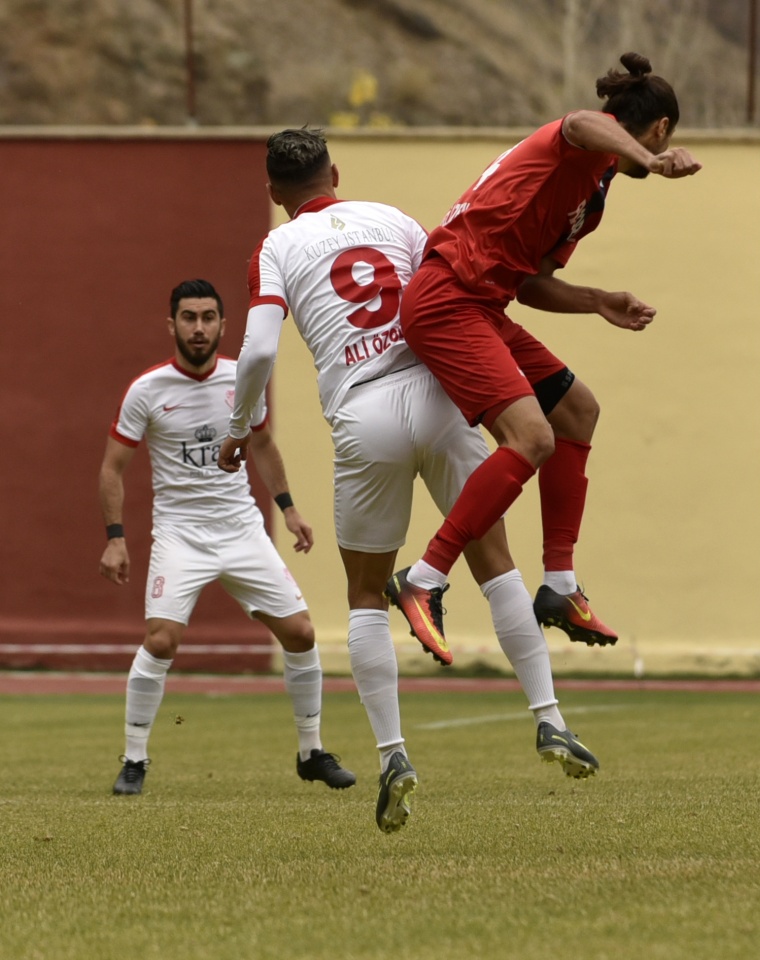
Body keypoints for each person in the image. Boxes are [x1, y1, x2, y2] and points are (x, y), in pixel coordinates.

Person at [217, 129, 598, 832]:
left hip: (364, 418)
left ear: (272, 192)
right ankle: (549, 719)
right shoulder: (391, 218)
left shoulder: (273, 249)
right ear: (335, 172)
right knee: (495, 564)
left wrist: (240, 426)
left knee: (365, 595)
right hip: (436, 391)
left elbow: (261, 346)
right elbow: (458, 288)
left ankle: (394, 755)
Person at [385, 52, 701, 663]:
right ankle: (423, 579)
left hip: (483, 305)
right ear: (660, 128)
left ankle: (559, 587)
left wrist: (598, 300)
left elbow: (531, 281)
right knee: (531, 437)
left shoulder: (595, 194)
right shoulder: (584, 146)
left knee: (577, 411)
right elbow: (581, 121)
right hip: (447, 298)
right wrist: (652, 162)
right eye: (663, 140)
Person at [100, 279, 354, 797]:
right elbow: (112, 468)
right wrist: (115, 537)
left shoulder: (243, 378)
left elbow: (262, 446)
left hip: (241, 530)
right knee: (161, 641)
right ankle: (134, 759)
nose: (199, 327)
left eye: (208, 317)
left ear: (222, 324)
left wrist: (288, 509)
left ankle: (311, 752)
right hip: (180, 536)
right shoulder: (147, 390)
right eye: (189, 317)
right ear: (171, 325)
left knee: (302, 634)